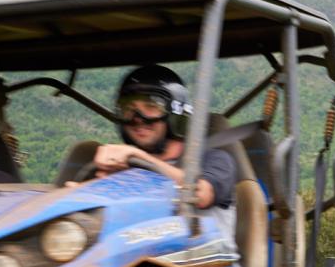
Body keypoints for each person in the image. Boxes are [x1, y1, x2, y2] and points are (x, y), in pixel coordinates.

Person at [87, 65, 237, 237]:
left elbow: (200, 194)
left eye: (151, 106)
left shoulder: (216, 159)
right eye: (128, 109)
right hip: (136, 257)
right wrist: (84, 194)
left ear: (175, 112)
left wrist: (138, 157)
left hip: (204, 260)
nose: (138, 118)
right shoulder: (123, 169)